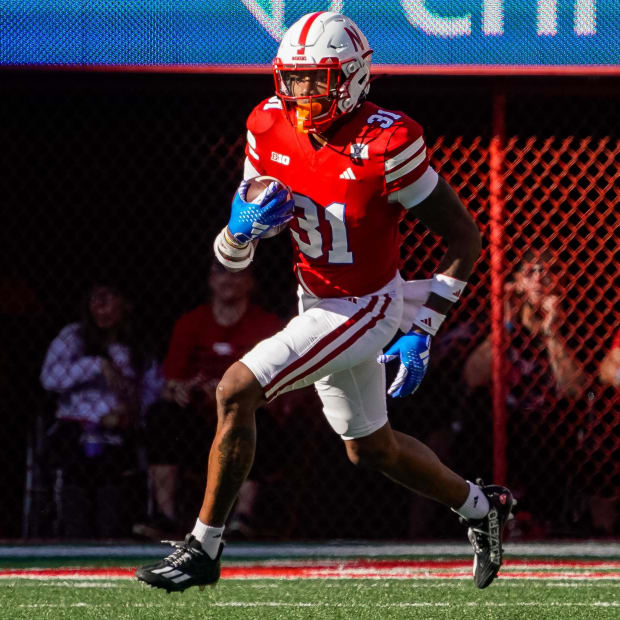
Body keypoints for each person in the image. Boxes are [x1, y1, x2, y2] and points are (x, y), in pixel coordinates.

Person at [137, 12, 513, 592]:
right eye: (295, 79)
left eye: (318, 79)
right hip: (313, 299)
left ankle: (203, 547)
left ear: (356, 76)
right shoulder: (267, 125)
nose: (303, 94)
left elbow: (464, 235)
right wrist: (238, 233)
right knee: (371, 449)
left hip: (366, 305)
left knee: (235, 390)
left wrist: (426, 326)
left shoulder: (390, 141)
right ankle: (480, 507)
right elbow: (234, 259)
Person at [137, 262, 311, 539]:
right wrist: (182, 390)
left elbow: (281, 388)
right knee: (162, 416)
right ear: (209, 280)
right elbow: (169, 383)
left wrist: (230, 391)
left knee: (258, 421)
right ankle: (165, 516)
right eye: (220, 271)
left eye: (237, 272)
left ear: (251, 282)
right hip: (197, 426)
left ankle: (244, 516)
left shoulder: (268, 326)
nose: (228, 279)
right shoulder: (191, 322)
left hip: (248, 418)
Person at [463, 249, 586, 533]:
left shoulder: (575, 326)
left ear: (562, 284)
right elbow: (472, 377)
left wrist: (552, 332)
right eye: (532, 272)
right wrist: (505, 322)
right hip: (503, 423)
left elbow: (576, 391)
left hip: (551, 427)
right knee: (477, 416)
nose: (541, 277)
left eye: (550, 272)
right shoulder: (504, 326)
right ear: (517, 282)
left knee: (559, 427)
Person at [40, 278, 162, 538]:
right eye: (94, 299)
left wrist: (131, 412)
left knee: (116, 466)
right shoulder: (73, 336)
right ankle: (74, 537)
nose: (100, 306)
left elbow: (154, 390)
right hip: (76, 424)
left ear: (126, 304)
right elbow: (50, 378)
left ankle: (112, 537)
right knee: (77, 462)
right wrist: (97, 365)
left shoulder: (137, 346)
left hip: (121, 427)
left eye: (108, 298)